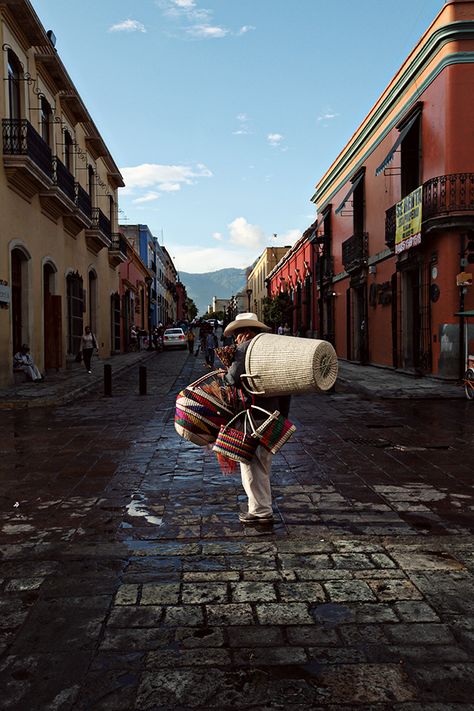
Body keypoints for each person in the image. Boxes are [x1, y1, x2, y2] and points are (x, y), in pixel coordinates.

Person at [223, 312, 291, 525]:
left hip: (252, 415)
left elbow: (231, 379)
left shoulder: (245, 349)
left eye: (237, 334)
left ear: (246, 333)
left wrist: (230, 363)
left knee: (251, 463)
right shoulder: (274, 351)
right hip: (273, 412)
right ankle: (260, 506)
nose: (235, 339)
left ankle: (261, 511)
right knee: (263, 463)